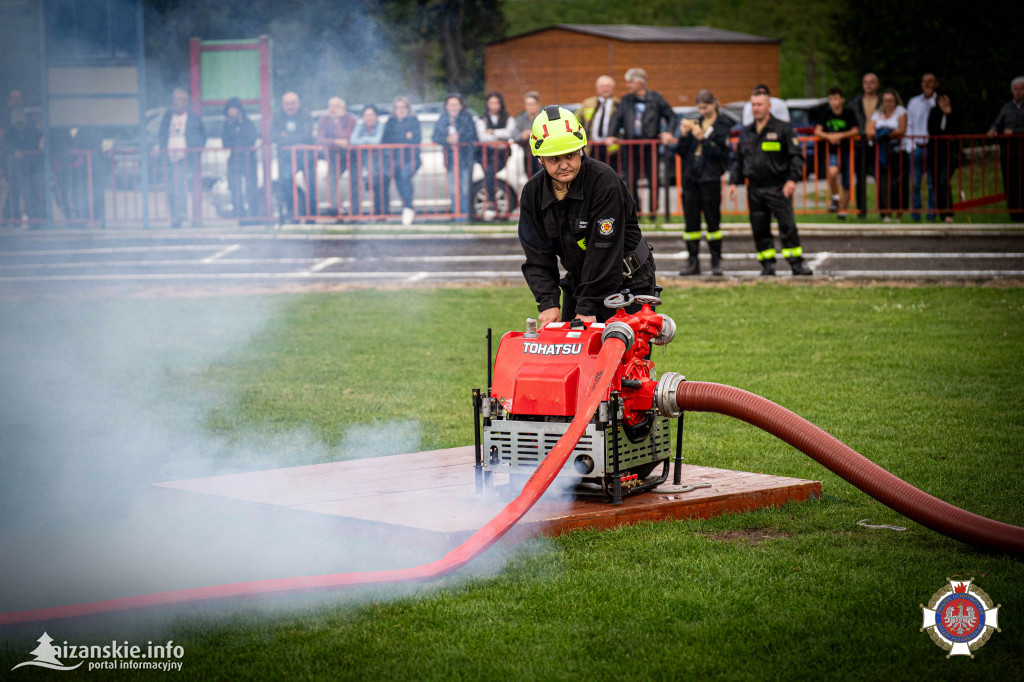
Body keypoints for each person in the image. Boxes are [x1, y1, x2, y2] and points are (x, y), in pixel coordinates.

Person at [519, 106, 656, 324]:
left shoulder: (604, 183)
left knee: (623, 356)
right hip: (582, 283)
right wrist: (548, 303)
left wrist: (587, 306)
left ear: (582, 149)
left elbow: (603, 249)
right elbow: (537, 254)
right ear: (540, 159)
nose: (564, 165)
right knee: (571, 355)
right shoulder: (532, 193)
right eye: (554, 159)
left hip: (628, 283)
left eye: (571, 156)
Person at [727, 90, 812, 276]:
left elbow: (796, 157)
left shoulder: (782, 128)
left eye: (759, 105)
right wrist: (733, 182)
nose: (756, 108)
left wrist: (791, 180)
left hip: (778, 186)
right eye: (753, 105)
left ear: (768, 106)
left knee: (787, 226)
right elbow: (738, 160)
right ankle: (767, 265)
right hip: (755, 188)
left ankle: (796, 264)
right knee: (759, 228)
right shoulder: (746, 132)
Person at [605, 67, 677, 210]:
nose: (627, 85)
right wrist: (611, 135)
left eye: (630, 82)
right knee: (631, 179)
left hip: (651, 145)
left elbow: (672, 116)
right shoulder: (626, 100)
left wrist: (668, 132)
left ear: (640, 82)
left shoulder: (656, 98)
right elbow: (616, 119)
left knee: (653, 179)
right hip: (631, 146)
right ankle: (635, 210)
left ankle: (653, 211)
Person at [675, 90, 730, 276]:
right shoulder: (696, 122)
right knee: (691, 225)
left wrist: (703, 138)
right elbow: (681, 151)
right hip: (691, 178)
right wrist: (683, 136)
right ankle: (693, 262)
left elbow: (720, 153)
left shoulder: (722, 125)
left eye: (705, 107)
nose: (703, 111)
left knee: (713, 223)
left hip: (710, 178)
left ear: (714, 105)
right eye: (699, 108)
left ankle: (716, 262)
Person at [158, 88, 207, 228]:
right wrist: (162, 151)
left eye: (180, 99)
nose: (176, 102)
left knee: (182, 186)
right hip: (170, 158)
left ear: (186, 101)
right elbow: (161, 134)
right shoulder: (168, 117)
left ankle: (186, 215)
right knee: (172, 188)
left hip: (185, 158)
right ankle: (176, 216)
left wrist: (195, 152)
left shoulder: (193, 117)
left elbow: (202, 135)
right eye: (175, 99)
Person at [814, 86, 859, 219]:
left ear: (842, 100)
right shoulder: (826, 113)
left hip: (847, 150)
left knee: (846, 181)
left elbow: (855, 130)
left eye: (836, 98)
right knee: (832, 172)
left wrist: (840, 135)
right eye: (831, 99)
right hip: (833, 150)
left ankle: (842, 211)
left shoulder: (848, 113)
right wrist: (830, 137)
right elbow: (817, 130)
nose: (833, 101)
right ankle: (835, 197)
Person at [271, 91, 316, 223]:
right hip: (287, 157)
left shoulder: (306, 115)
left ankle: (311, 215)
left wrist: (286, 137)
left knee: (311, 185)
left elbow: (305, 135)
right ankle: (292, 213)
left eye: (293, 103)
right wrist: (290, 138)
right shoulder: (277, 116)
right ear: (283, 105)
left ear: (298, 104)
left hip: (306, 156)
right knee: (285, 182)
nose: (290, 106)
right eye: (287, 103)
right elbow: (273, 135)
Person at [866, 88, 910, 222]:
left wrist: (887, 133)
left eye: (891, 100)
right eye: (886, 100)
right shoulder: (877, 114)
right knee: (884, 183)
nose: (888, 103)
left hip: (898, 152)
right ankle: (886, 213)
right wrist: (884, 132)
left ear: (896, 101)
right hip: (882, 153)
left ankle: (899, 213)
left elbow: (902, 129)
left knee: (898, 183)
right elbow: (869, 130)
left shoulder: (900, 111)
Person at [431, 93, 477, 221]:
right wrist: (447, 139)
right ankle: (456, 215)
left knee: (465, 190)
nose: (453, 107)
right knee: (453, 190)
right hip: (450, 160)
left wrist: (459, 138)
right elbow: (435, 136)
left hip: (465, 159)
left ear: (461, 106)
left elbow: (472, 134)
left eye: (456, 104)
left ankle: (465, 216)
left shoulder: (467, 118)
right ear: (446, 106)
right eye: (450, 104)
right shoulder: (442, 119)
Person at [987, 76, 1024, 222]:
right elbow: (997, 123)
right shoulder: (1007, 107)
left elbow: (1010, 130)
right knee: (1010, 183)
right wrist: (993, 130)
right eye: (1015, 89)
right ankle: (1013, 214)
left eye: (1021, 89)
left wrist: (1015, 133)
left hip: (1022, 150)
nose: (1018, 92)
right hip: (1008, 152)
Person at [476, 91, 516, 220]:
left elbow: (510, 133)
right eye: (491, 102)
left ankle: (492, 205)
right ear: (487, 104)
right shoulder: (482, 119)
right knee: (489, 175)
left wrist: (492, 132)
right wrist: (499, 140)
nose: (494, 105)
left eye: (496, 102)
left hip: (501, 155)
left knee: (489, 173)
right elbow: (482, 137)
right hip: (485, 154)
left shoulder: (508, 118)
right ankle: (492, 205)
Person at [381, 96, 421, 225]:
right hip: (395, 159)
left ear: (408, 109)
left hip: (412, 158)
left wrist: (401, 139)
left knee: (405, 176)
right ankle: (406, 207)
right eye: (398, 107)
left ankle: (408, 208)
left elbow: (416, 139)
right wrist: (404, 137)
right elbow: (385, 140)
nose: (401, 110)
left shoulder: (413, 121)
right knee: (399, 182)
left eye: (403, 107)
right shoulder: (390, 122)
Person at [316, 97, 357, 216]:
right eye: (331, 106)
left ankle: (355, 211)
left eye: (336, 106)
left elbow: (347, 138)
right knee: (331, 179)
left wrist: (337, 123)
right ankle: (336, 208)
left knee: (354, 182)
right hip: (334, 156)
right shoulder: (324, 119)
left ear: (343, 108)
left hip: (352, 156)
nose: (333, 109)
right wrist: (336, 142)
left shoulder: (351, 119)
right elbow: (320, 139)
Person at [906, 73, 938, 221]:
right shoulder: (914, 102)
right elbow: (909, 125)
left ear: (935, 84)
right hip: (916, 146)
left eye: (930, 82)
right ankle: (916, 215)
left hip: (932, 147)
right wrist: (910, 146)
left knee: (932, 184)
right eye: (924, 81)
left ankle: (931, 214)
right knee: (915, 183)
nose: (927, 84)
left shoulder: (939, 101)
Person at [927, 89, 961, 223]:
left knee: (943, 181)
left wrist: (949, 115)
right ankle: (942, 214)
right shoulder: (934, 112)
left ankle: (948, 213)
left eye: (944, 100)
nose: (942, 103)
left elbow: (956, 132)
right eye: (940, 100)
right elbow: (932, 131)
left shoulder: (956, 113)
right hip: (935, 154)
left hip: (950, 155)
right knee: (936, 184)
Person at [222, 97, 259, 219]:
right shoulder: (227, 125)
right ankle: (239, 212)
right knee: (235, 186)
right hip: (234, 159)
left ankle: (254, 212)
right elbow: (225, 142)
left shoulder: (248, 123)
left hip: (249, 158)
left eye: (234, 109)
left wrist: (241, 144)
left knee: (251, 186)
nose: (231, 112)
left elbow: (251, 138)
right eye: (230, 109)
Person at [849, 73, 880, 218]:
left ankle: (884, 211)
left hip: (879, 142)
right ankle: (861, 211)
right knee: (860, 178)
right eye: (865, 82)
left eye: (871, 82)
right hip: (860, 144)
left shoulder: (883, 102)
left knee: (880, 177)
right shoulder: (855, 103)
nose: (868, 85)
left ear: (877, 84)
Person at [576, 75, 620, 170]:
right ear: (597, 89)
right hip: (592, 146)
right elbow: (576, 120)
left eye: (608, 86)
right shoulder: (588, 103)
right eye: (602, 86)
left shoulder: (619, 103)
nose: (605, 89)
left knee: (611, 172)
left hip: (612, 148)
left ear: (613, 89)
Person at [349, 104, 386, 217]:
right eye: (366, 115)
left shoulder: (381, 126)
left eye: (371, 115)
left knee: (378, 185)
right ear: (363, 117)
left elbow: (377, 140)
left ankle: (379, 213)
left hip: (379, 161)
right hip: (363, 161)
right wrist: (367, 142)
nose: (369, 118)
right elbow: (353, 140)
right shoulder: (360, 126)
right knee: (357, 184)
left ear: (376, 116)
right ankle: (356, 213)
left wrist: (363, 140)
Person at [515, 91, 543, 179]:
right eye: (527, 104)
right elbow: (513, 134)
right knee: (532, 180)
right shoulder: (522, 119)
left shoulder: (544, 118)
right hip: (528, 155)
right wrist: (522, 135)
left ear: (538, 104)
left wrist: (533, 134)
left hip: (543, 155)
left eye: (532, 104)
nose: (530, 107)